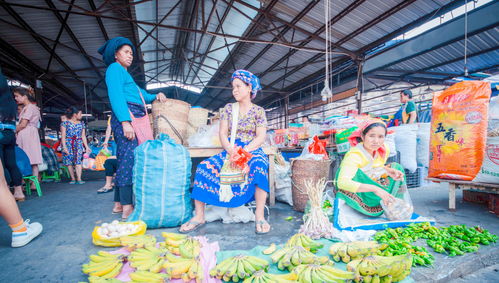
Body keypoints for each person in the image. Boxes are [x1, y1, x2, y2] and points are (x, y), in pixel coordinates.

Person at [179, 69, 271, 234]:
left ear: (249, 87)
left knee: (258, 165)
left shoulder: (259, 111)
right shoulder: (228, 109)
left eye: (238, 86)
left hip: (252, 149)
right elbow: (222, 133)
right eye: (233, 87)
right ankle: (199, 216)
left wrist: (244, 151)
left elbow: (261, 136)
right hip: (231, 148)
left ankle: (259, 215)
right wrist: (231, 150)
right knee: (204, 167)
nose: (234, 90)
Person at [99, 37, 167, 220]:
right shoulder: (114, 69)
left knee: (125, 159)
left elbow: (141, 94)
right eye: (126, 52)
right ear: (115, 54)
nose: (130, 56)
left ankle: (119, 204)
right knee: (128, 161)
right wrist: (125, 121)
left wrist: (155, 95)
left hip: (134, 116)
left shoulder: (124, 73)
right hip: (128, 118)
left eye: (131, 53)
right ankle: (128, 207)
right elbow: (116, 96)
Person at [335, 118, 408, 216]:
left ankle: (392, 203)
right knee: (355, 173)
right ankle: (372, 205)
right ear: (362, 136)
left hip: (372, 183)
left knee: (397, 168)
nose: (376, 141)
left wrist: (388, 170)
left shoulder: (383, 149)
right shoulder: (354, 155)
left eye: (381, 136)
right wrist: (376, 189)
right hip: (362, 194)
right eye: (371, 136)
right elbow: (342, 183)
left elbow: (375, 167)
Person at [0, 67, 25, 201]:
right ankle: (19, 192)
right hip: (10, 134)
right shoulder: (10, 102)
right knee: (12, 163)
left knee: (2, 166)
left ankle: (4, 196)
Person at [14, 87, 43, 190]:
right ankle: (33, 183)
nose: (16, 98)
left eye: (17, 96)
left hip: (27, 134)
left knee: (24, 158)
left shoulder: (30, 108)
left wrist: (12, 130)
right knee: (32, 159)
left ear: (24, 96)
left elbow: (22, 124)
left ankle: (22, 184)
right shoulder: (30, 107)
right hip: (29, 134)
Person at [61, 107, 90, 184]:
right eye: (80, 114)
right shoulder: (65, 123)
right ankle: (73, 178)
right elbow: (63, 136)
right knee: (69, 161)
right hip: (68, 143)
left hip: (79, 143)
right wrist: (64, 147)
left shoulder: (82, 123)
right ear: (75, 115)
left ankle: (79, 179)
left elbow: (83, 136)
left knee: (78, 161)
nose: (81, 115)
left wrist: (86, 147)